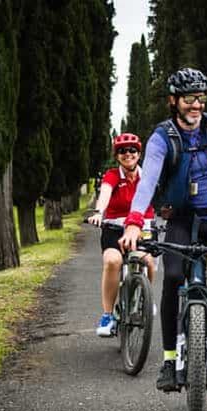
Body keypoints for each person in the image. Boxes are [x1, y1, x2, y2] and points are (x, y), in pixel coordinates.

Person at [119, 67, 207, 392]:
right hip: (180, 222)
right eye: (190, 99)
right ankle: (168, 358)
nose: (196, 105)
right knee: (173, 277)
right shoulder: (163, 137)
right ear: (174, 101)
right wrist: (134, 221)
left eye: (201, 98)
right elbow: (147, 182)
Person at [87, 133, 156, 337]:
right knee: (112, 261)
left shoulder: (148, 176)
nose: (128, 154)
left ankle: (145, 299)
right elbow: (105, 194)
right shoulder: (112, 176)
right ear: (117, 156)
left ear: (139, 154)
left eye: (132, 150)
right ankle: (108, 315)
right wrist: (99, 212)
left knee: (149, 262)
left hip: (143, 228)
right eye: (122, 151)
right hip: (115, 229)